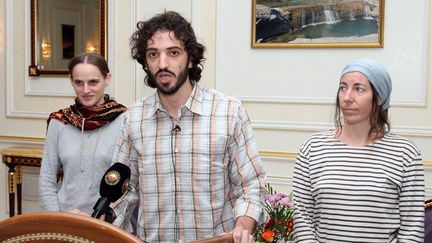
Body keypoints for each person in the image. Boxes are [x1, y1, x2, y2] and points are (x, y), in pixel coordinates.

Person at [110, 11, 267, 242]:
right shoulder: (134, 118)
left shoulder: (229, 112)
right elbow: (124, 190)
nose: (162, 64)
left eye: (173, 53)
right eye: (153, 54)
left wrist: (243, 224)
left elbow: (250, 186)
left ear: (191, 58)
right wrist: (100, 219)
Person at [292, 59, 425, 242]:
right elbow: (303, 222)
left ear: (379, 98)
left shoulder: (405, 153)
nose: (347, 97)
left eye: (359, 89)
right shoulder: (312, 148)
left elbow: (412, 231)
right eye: (343, 87)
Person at [39, 53, 127, 215]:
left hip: (107, 223)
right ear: (71, 81)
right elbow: (46, 180)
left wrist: (104, 218)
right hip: (65, 220)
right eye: (79, 83)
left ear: (107, 79)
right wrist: (56, 219)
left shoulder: (125, 121)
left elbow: (131, 184)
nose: (85, 90)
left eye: (93, 82)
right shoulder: (59, 122)